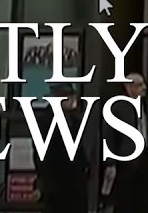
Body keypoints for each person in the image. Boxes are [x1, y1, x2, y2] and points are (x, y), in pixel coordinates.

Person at [105, 72, 148, 213]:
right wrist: (110, 162)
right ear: (129, 87)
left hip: (146, 157)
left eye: (144, 84)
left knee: (143, 197)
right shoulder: (117, 107)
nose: (144, 88)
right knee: (125, 198)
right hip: (126, 160)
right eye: (140, 85)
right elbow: (109, 136)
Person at [35, 85, 90, 213]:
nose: (74, 101)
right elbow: (42, 154)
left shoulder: (74, 119)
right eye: (70, 97)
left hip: (75, 180)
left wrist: (85, 165)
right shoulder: (46, 121)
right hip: (57, 180)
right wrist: (46, 181)